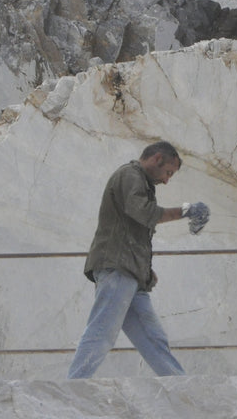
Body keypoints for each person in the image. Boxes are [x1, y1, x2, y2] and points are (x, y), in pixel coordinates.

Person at [67, 141, 209, 378]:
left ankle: (179, 385)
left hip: (130, 273)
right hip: (118, 268)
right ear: (157, 159)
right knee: (103, 330)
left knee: (153, 337)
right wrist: (186, 211)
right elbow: (143, 213)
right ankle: (74, 385)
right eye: (168, 173)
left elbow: (132, 231)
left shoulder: (140, 181)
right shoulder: (130, 175)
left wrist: (144, 270)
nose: (166, 180)